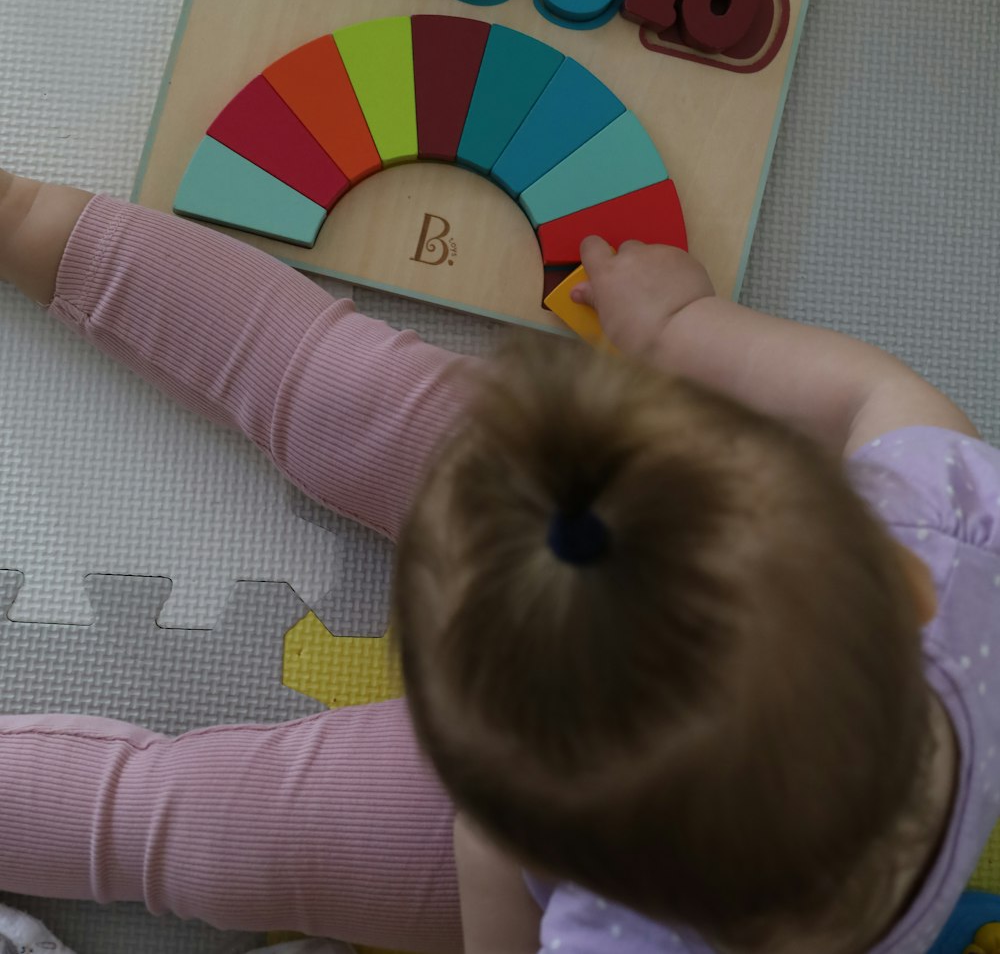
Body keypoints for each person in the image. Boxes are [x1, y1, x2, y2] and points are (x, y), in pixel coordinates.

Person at [0, 166, 996, 954]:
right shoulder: (957, 543)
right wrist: (682, 328)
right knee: (337, 389)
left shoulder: (604, 926)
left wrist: (490, 847)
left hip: (517, 838)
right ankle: (31, 222)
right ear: (900, 573)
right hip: (551, 771)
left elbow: (877, 392)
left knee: (187, 829)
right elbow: (875, 396)